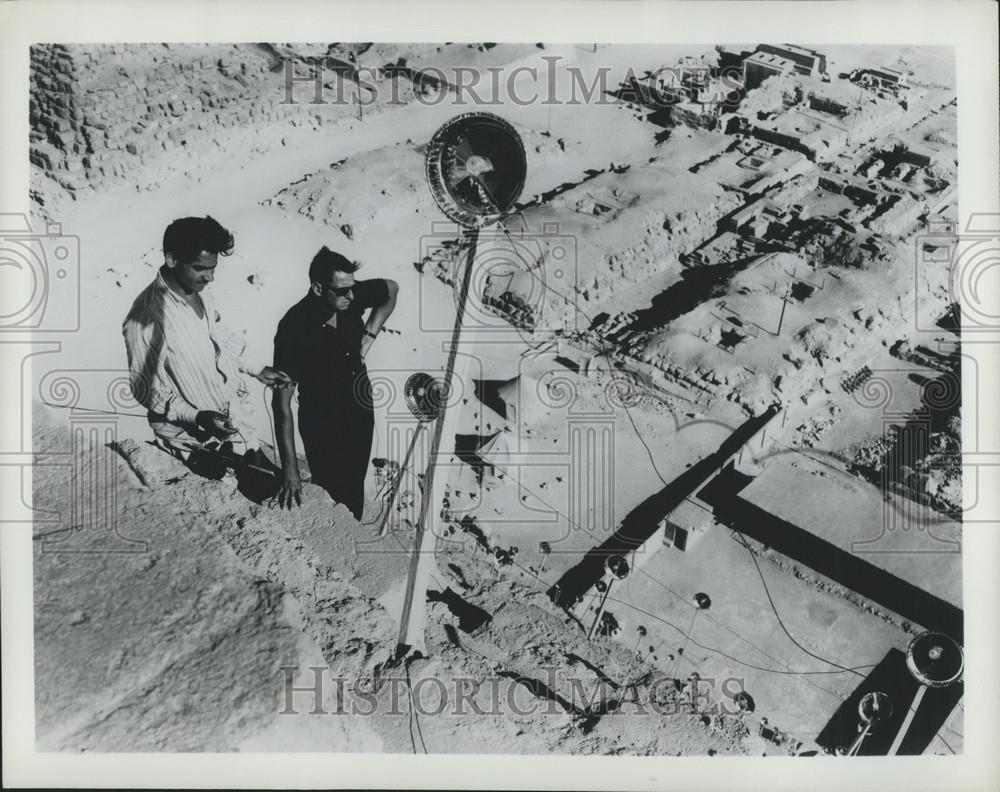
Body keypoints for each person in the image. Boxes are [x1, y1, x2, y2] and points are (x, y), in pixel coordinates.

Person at [123, 215, 290, 460]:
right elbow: (145, 389)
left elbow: (216, 336)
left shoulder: (199, 290)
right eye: (200, 268)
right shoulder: (145, 317)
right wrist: (197, 416)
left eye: (213, 268)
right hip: (193, 436)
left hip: (232, 418)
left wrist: (258, 368)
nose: (210, 278)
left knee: (267, 483)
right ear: (171, 259)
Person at [272, 247, 398, 518]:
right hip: (321, 416)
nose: (351, 296)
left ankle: (351, 528)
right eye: (342, 290)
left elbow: (391, 289)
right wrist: (290, 469)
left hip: (359, 403)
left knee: (354, 483)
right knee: (329, 486)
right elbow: (281, 404)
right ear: (318, 288)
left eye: (352, 287)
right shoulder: (294, 327)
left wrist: (369, 337)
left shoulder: (348, 294)